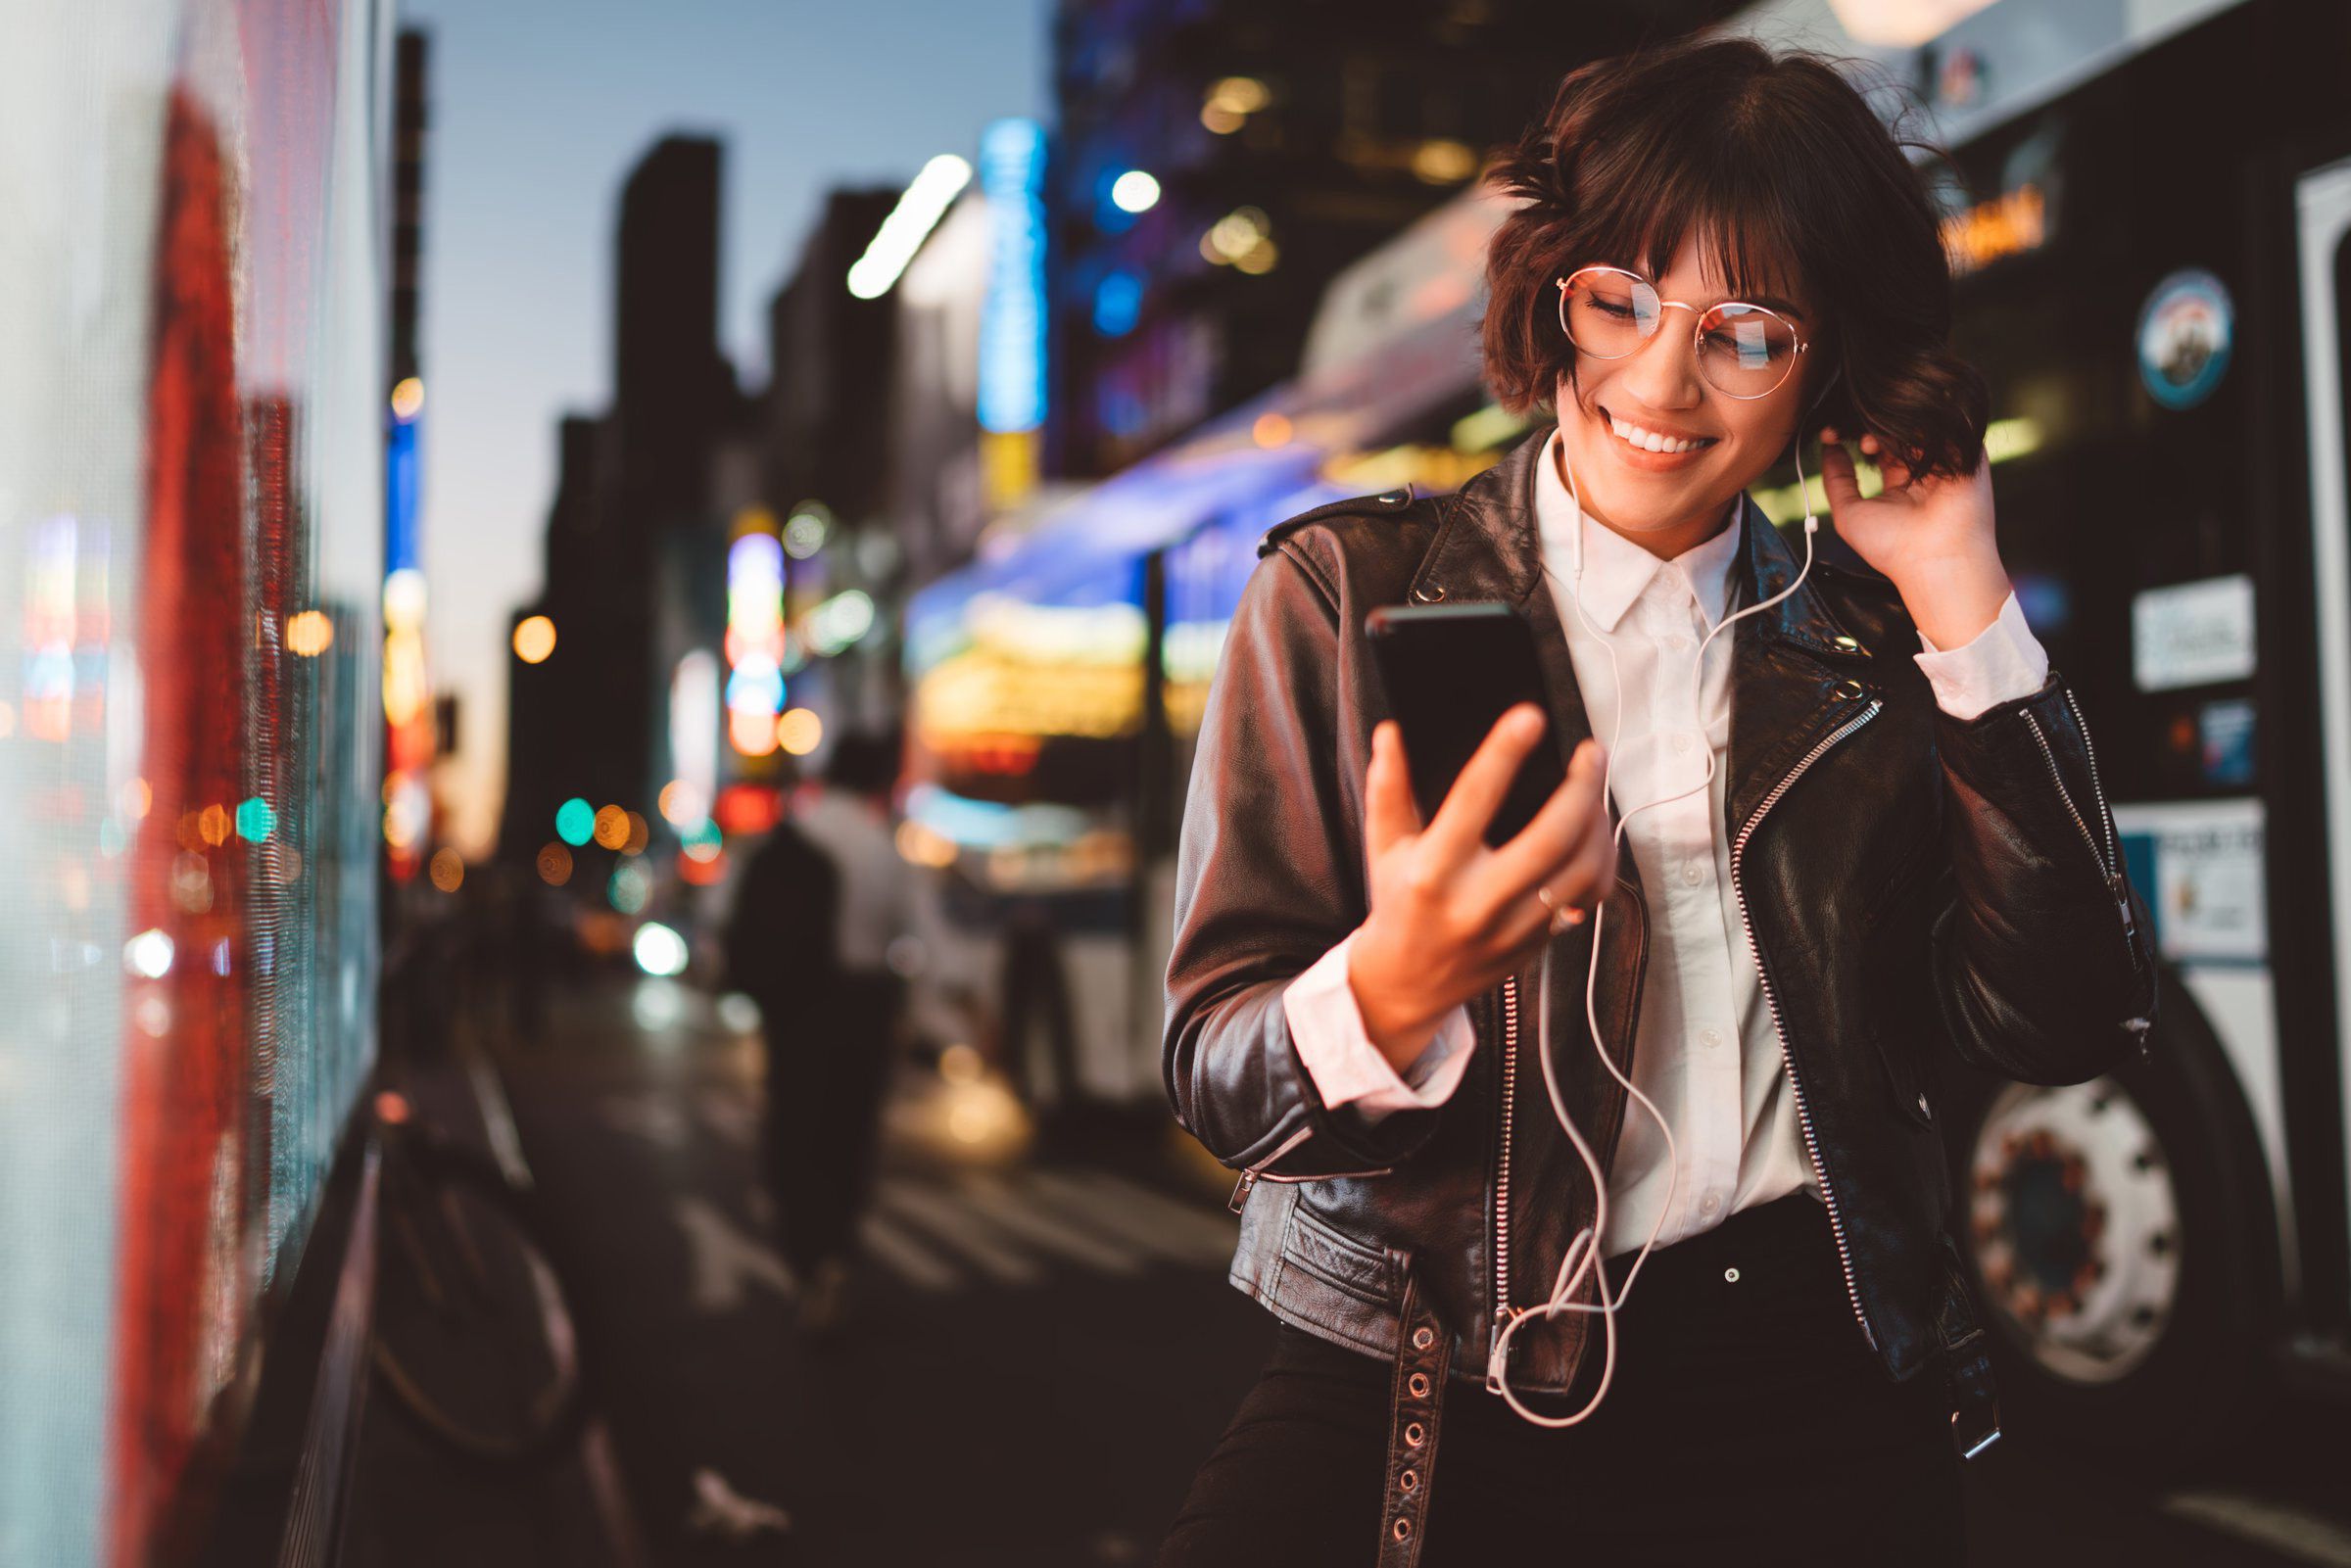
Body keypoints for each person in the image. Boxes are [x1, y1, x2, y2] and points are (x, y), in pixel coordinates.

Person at [1158, 33, 2158, 1568]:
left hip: (1812, 1375)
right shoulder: (1343, 592)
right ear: (1555, 288)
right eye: (1619, 298)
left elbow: (2063, 1020)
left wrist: (1963, 596)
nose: (1658, 378)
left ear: (1830, 359)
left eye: (1746, 331)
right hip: (1431, 1355)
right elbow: (1220, 1077)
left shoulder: (1870, 635)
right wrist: (1393, 985)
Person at [727, 734, 914, 1332]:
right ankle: (836, 1254)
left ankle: (808, 1262)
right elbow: (922, 940)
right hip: (865, 1008)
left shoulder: (790, 834)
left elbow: (724, 917)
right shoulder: (882, 847)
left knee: (794, 1133)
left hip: (798, 1010)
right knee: (848, 1138)